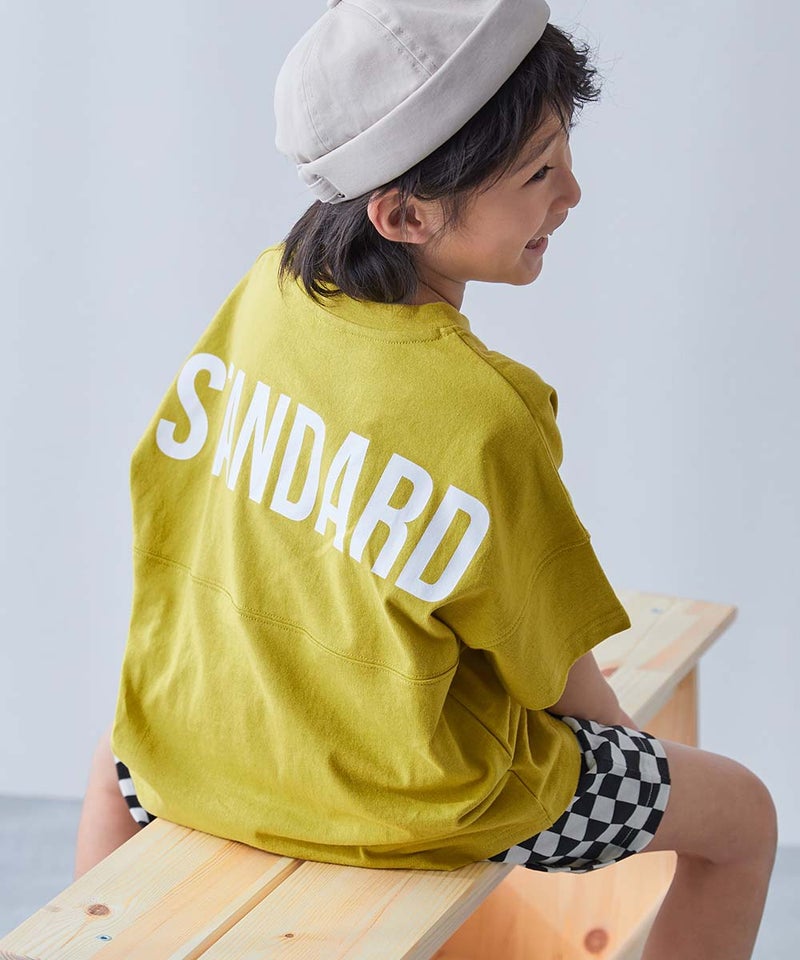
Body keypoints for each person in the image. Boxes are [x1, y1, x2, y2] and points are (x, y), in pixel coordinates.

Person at [74, 1, 777, 957]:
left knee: (117, 749)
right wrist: (629, 744)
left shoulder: (264, 293)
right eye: (538, 172)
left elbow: (179, 512)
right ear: (404, 215)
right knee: (744, 817)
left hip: (205, 745)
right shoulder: (486, 409)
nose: (572, 192)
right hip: (415, 797)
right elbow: (556, 672)